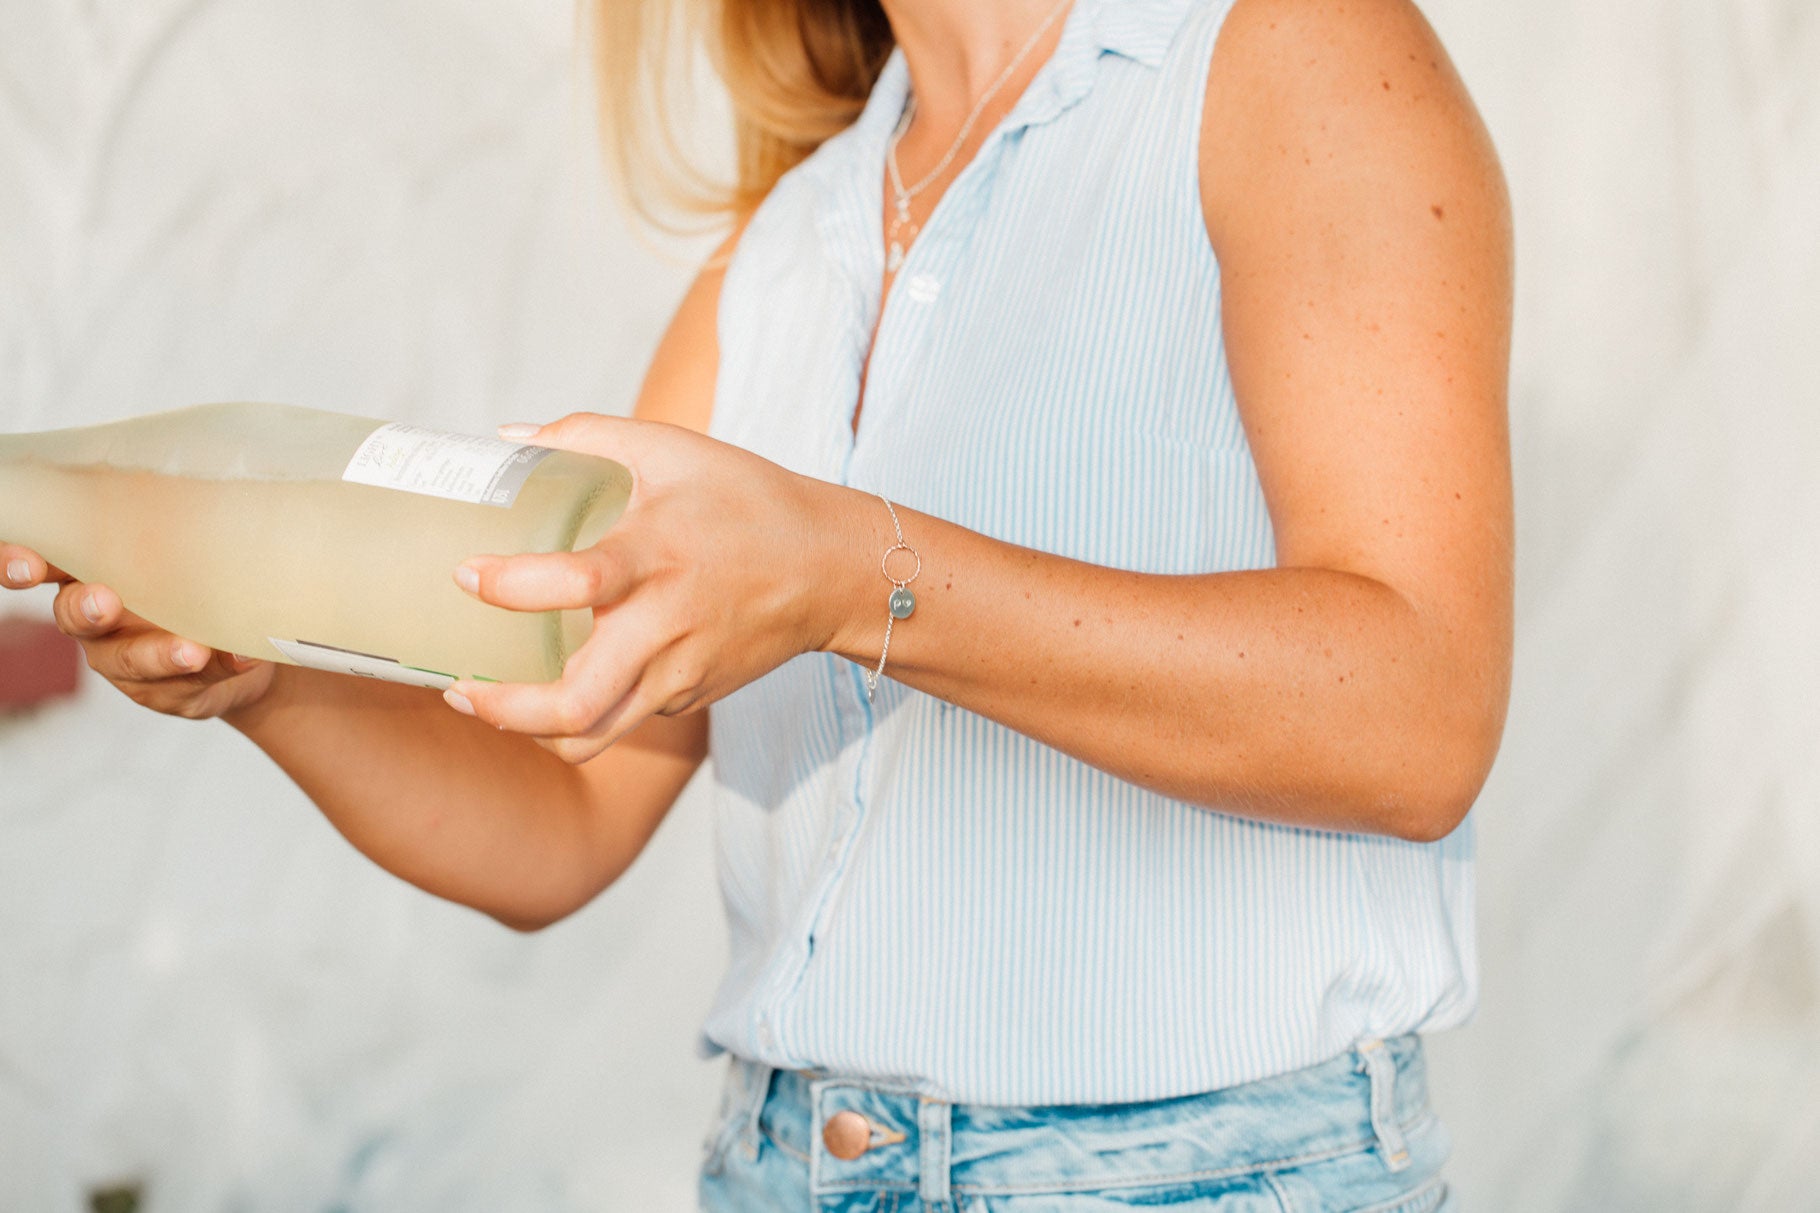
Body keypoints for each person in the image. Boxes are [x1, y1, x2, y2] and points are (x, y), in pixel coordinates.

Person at [2, 0, 1512, 1206]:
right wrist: (262, 684)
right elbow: (557, 819)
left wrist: (850, 574)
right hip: (790, 1167)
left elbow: (1418, 713)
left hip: (1207, 1177)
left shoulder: (1295, 54)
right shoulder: (785, 247)